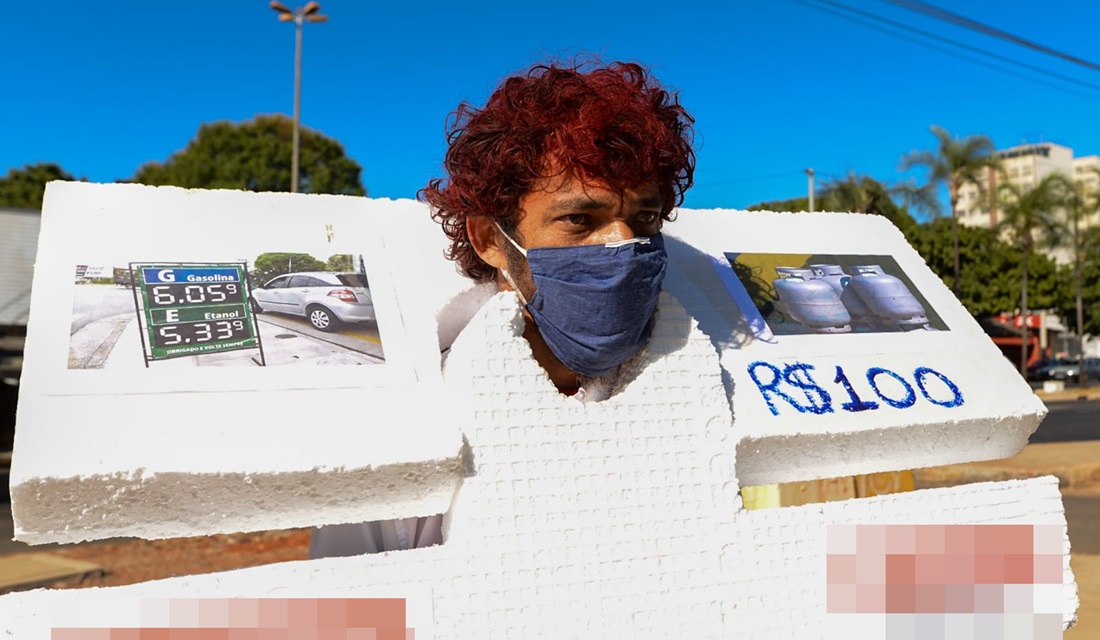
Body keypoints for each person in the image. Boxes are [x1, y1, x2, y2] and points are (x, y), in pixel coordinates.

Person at [310, 57, 696, 558]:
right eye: (580, 218)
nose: (621, 245)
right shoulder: (407, 422)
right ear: (491, 238)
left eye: (644, 217)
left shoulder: (689, 390)